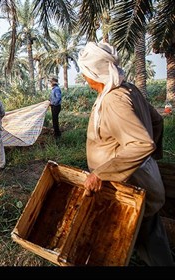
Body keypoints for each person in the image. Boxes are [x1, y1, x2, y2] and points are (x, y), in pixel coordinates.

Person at [78, 41, 174, 266]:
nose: (84, 79)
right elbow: (157, 122)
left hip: (131, 188)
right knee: (149, 237)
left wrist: (100, 174)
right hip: (141, 180)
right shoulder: (128, 89)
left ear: (95, 73)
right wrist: (149, 162)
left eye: (85, 73)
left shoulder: (113, 101)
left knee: (141, 242)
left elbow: (141, 144)